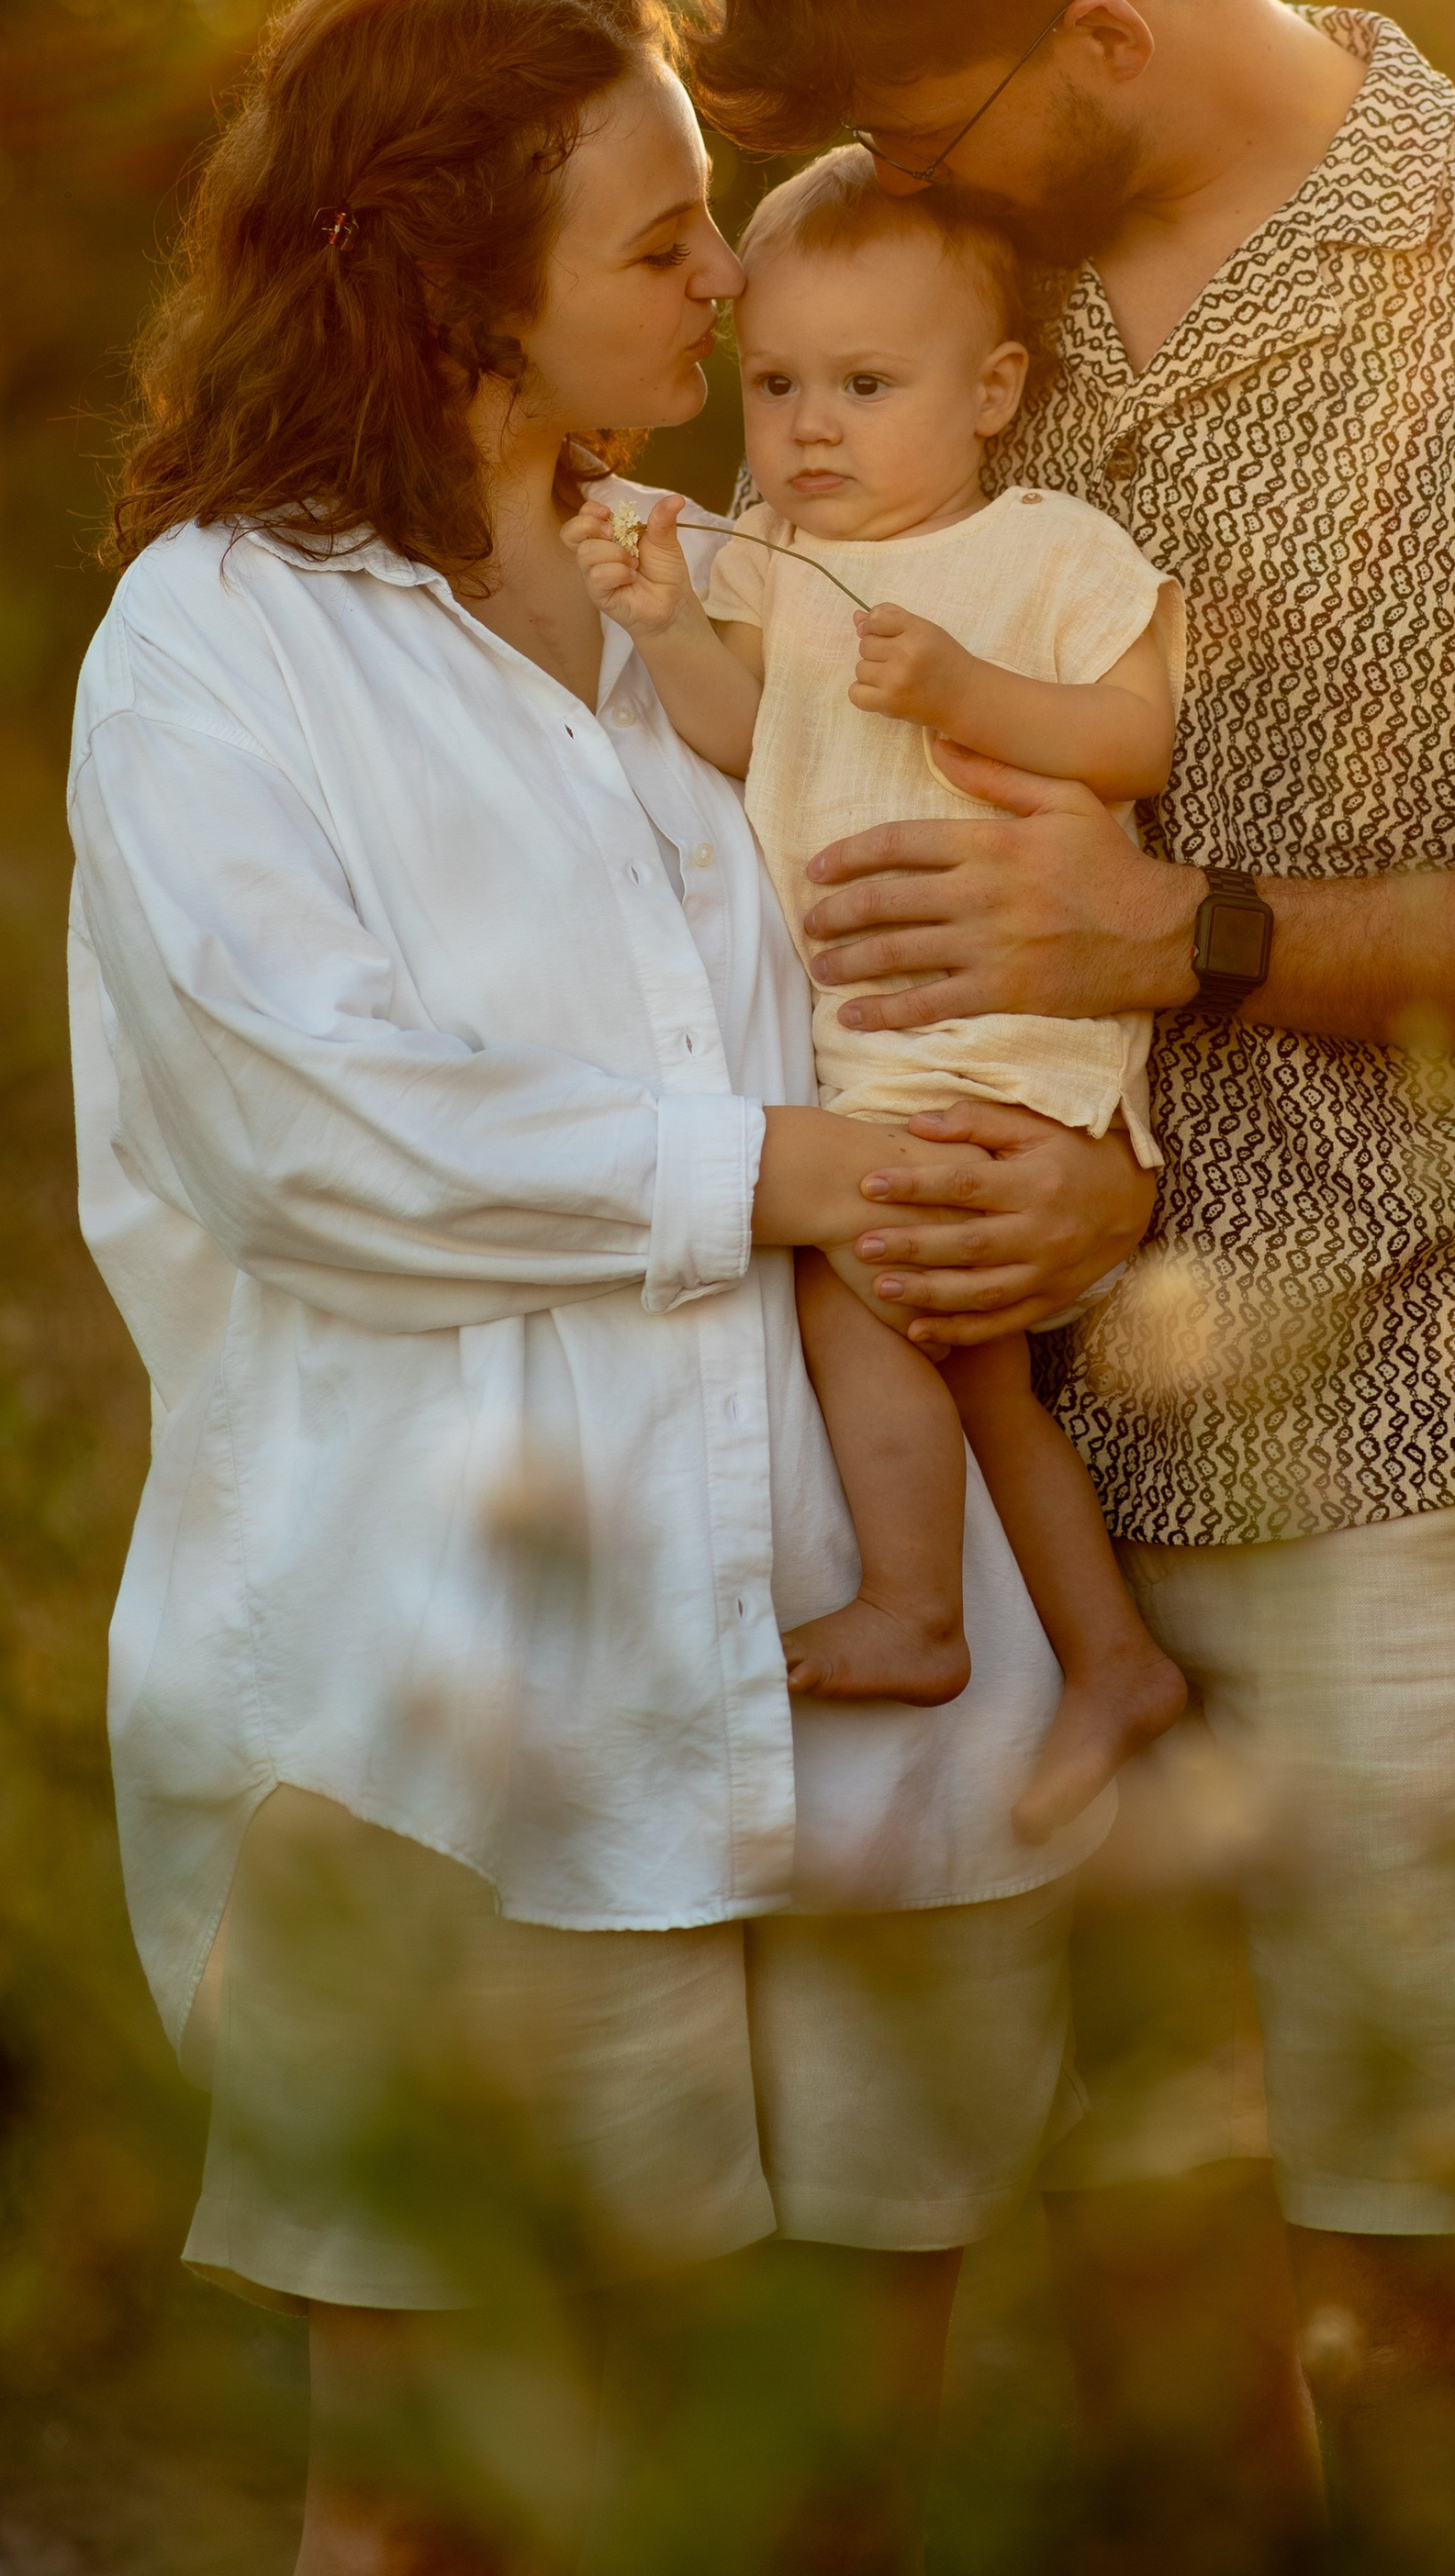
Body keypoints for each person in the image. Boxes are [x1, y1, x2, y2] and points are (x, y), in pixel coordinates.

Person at [691, 0, 1455, 2572]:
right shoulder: (967, 300)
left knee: (1430, 2325)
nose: (895, 194)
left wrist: (1194, 941)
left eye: (932, 124)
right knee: (1155, 2324)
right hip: (1007, 1437)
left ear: (1104, 38)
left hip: (1414, 1435)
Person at [67, 0, 1153, 2574]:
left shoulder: (748, 580)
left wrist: (1094, 1187)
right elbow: (302, 1119)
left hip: (872, 1681)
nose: (727, 282)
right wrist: (772, 1172)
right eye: (665, 238)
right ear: (459, 273)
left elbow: (1001, 981)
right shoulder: (223, 643)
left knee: (840, 2490)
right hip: (464, 1716)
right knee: (442, 2510)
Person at [568, 145, 1188, 1841]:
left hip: (1008, 1017)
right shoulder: (771, 556)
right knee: (969, 1360)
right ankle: (1108, 1656)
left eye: (864, 384)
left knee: (866, 1295)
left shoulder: (1044, 549)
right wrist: (671, 619)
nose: (812, 429)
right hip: (885, 1039)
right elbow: (736, 731)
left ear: (993, 393)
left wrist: (976, 685)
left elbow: (1132, 735)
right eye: (775, 386)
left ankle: (924, 1615)